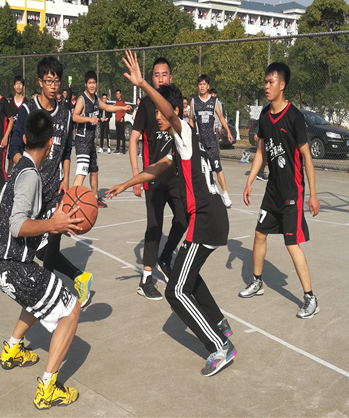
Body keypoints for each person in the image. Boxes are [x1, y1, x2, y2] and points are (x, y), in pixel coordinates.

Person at [108, 50, 235, 377]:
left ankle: (219, 347)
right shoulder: (180, 145)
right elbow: (156, 168)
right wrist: (126, 184)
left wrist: (142, 85)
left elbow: (167, 110)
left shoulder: (184, 131)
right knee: (186, 275)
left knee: (175, 290)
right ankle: (219, 322)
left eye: (161, 111)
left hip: (205, 219)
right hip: (211, 218)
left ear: (174, 111)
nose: (158, 116)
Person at [0, 108, 83, 409]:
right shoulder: (30, 175)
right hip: (14, 267)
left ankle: (12, 349)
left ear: (25, 138)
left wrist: (56, 219)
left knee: (41, 294)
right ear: (52, 142)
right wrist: (52, 225)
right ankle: (47, 388)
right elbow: (17, 225)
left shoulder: (20, 167)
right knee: (71, 309)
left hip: (3, 266)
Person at [9, 57, 93, 307]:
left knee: (53, 239)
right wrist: (29, 174)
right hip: (31, 190)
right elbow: (14, 149)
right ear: (40, 82)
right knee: (34, 246)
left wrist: (65, 178)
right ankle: (78, 277)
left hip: (54, 191)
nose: (54, 86)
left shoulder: (65, 115)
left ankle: (46, 294)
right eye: (48, 81)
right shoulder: (27, 111)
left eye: (57, 81)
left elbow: (66, 151)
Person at [241, 62, 320, 319]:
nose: (266, 86)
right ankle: (257, 282)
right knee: (259, 234)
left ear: (282, 85)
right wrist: (250, 180)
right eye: (265, 82)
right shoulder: (265, 115)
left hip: (292, 193)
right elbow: (261, 152)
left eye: (271, 82)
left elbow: (307, 157)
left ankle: (310, 298)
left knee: (291, 244)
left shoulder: (294, 117)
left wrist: (312, 194)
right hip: (272, 191)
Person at [128, 58, 187, 300]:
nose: (161, 78)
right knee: (154, 226)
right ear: (151, 79)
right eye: (156, 75)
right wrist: (136, 175)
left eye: (164, 74)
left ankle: (166, 256)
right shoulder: (145, 105)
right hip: (153, 177)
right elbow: (133, 139)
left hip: (175, 176)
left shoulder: (175, 102)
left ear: (170, 78)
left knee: (183, 219)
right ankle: (146, 280)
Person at [72, 70, 130, 208]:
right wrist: (89, 119)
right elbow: (74, 116)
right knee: (82, 172)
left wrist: (122, 107)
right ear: (86, 84)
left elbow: (108, 107)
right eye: (90, 83)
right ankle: (71, 201)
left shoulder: (96, 99)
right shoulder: (82, 99)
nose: (92, 85)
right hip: (82, 141)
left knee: (94, 171)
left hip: (90, 142)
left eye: (94, 83)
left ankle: (94, 198)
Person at [189, 76, 233, 208]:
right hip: (199, 140)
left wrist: (228, 131)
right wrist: (191, 134)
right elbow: (191, 118)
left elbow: (220, 117)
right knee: (201, 168)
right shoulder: (194, 101)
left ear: (208, 86)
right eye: (200, 84)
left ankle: (225, 194)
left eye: (204, 84)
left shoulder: (214, 101)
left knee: (217, 167)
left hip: (211, 140)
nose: (202, 86)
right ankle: (207, 189)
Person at [7, 75, 27, 175]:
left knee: (23, 163)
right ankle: (8, 182)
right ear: (14, 86)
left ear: (23, 87)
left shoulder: (27, 103)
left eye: (20, 84)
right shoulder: (10, 104)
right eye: (17, 84)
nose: (18, 86)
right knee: (10, 162)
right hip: (13, 137)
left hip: (24, 138)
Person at [113, 89, 127, 154]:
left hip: (121, 120)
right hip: (117, 120)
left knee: (122, 135)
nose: (118, 95)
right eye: (117, 94)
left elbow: (124, 110)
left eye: (119, 94)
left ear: (120, 94)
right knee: (117, 135)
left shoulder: (123, 102)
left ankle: (123, 149)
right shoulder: (116, 102)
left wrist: (122, 117)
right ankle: (117, 149)